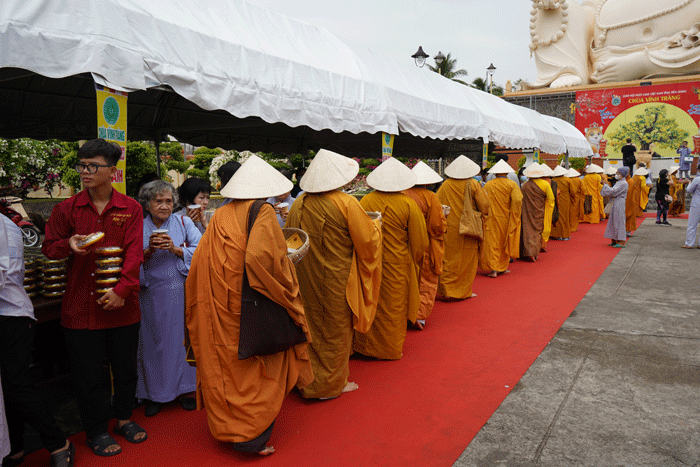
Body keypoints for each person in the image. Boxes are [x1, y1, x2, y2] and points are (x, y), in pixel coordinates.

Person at [186, 155, 313, 456]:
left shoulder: (220, 213)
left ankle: (229, 427)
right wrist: (287, 273)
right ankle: (250, 437)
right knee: (257, 367)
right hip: (250, 302)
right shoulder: (263, 210)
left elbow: (200, 263)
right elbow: (261, 259)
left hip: (220, 304)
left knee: (227, 365)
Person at [42, 138, 146, 457]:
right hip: (80, 308)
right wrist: (67, 245)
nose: (85, 171)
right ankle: (97, 430)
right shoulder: (67, 208)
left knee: (125, 368)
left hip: (121, 308)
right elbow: (49, 247)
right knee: (87, 375)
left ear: (111, 172)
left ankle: (125, 418)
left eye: (93, 166)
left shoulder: (130, 208)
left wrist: (120, 291)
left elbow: (134, 255)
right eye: (82, 165)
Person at [286, 149, 381, 398]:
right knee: (335, 329)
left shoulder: (299, 202)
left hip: (304, 276)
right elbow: (368, 242)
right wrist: (376, 226)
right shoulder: (345, 202)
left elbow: (290, 239)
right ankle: (329, 385)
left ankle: (306, 380)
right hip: (336, 279)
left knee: (310, 327)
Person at [1, 214, 74, 467]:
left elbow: (4, 274)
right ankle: (14, 446)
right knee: (4, 386)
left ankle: (57, 442)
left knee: (15, 384)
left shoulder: (4, 226)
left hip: (12, 315)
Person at [137, 180, 201, 417]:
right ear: (147, 204)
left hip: (178, 288)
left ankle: (185, 390)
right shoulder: (138, 227)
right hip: (150, 291)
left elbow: (201, 249)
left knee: (181, 339)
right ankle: (155, 393)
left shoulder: (184, 222)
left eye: (168, 201)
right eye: (158, 201)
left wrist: (176, 250)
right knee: (153, 342)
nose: (164, 206)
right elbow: (129, 258)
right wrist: (148, 251)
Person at [355, 157, 427, 360]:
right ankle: (388, 349)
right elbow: (420, 241)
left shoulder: (367, 200)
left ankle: (365, 346)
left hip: (369, 260)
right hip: (397, 263)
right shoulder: (407, 204)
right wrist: (414, 259)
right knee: (394, 306)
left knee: (371, 301)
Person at [436, 156, 489, 299]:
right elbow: (484, 206)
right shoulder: (472, 184)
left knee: (448, 258)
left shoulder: (446, 184)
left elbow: (438, 204)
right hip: (468, 227)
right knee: (467, 261)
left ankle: (446, 290)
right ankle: (462, 291)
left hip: (449, 227)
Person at [403, 161, 447, 328]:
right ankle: (419, 316)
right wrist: (444, 220)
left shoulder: (402, 193)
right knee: (426, 278)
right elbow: (437, 226)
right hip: (426, 243)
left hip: (406, 243)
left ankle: (406, 312)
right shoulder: (431, 197)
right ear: (428, 182)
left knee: (409, 278)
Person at [479, 159, 522, 277]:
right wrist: (515, 213)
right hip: (505, 217)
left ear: (495, 173)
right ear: (507, 173)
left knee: (492, 242)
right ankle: (502, 266)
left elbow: (483, 200)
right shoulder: (512, 184)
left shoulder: (488, 185)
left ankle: (494, 269)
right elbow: (518, 200)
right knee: (504, 241)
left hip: (491, 218)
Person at [520, 163, 554, 262]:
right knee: (537, 232)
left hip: (527, 211)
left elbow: (521, 198)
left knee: (527, 231)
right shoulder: (545, 184)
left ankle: (527, 252)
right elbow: (551, 199)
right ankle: (533, 253)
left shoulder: (525, 185)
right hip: (540, 211)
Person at [601, 167, 629, 248]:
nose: (616, 175)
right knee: (613, 221)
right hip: (616, 202)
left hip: (619, 203)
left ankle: (621, 241)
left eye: (618, 173)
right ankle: (614, 239)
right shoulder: (620, 182)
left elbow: (613, 192)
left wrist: (605, 185)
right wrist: (605, 185)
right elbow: (612, 191)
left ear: (622, 174)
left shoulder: (623, 183)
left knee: (619, 221)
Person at [550, 165, 573, 241]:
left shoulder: (552, 180)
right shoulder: (567, 179)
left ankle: (556, 234)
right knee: (565, 217)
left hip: (555, 199)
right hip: (565, 200)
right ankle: (565, 235)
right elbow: (573, 191)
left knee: (556, 215)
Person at [624, 166, 642, 237]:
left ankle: (628, 231)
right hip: (629, 200)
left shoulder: (630, 180)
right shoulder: (627, 180)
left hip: (629, 201)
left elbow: (628, 192)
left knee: (629, 215)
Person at [683, 174, 700, 248]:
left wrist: (690, 183)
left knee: (692, 224)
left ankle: (689, 243)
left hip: (697, 203)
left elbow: (689, 190)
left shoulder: (697, 179)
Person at [566, 168, 582, 233]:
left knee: (568, 212)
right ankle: (573, 227)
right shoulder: (578, 180)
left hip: (567, 197)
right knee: (575, 213)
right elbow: (583, 189)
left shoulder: (566, 179)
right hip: (576, 197)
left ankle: (568, 226)